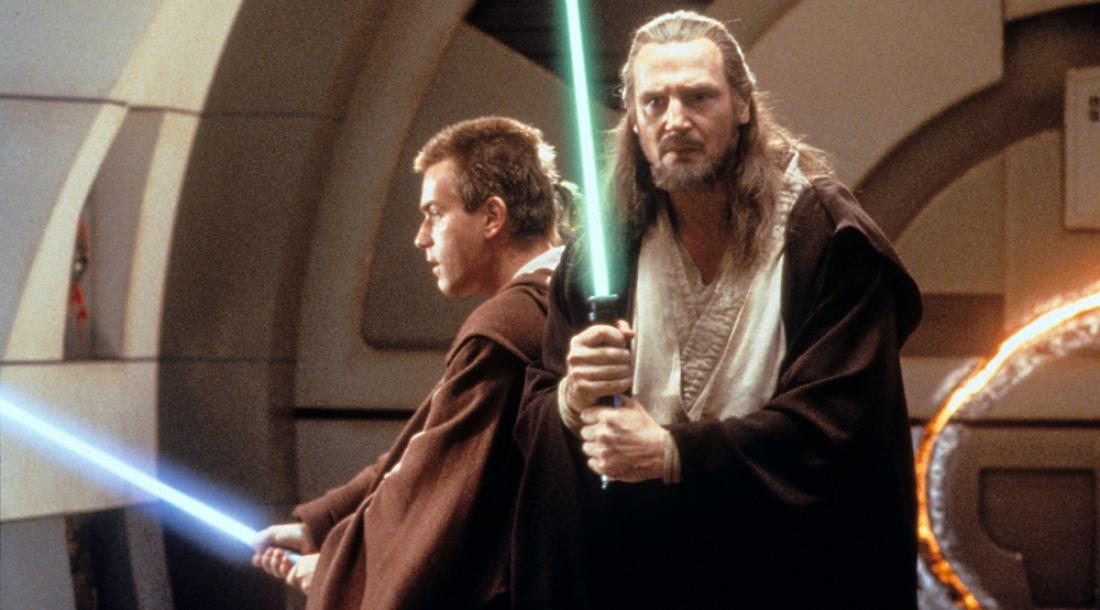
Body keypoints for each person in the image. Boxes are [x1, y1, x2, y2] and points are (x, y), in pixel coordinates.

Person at [511, 11, 922, 610]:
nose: (676, 120)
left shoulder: (823, 237)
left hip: (783, 579)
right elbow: (536, 416)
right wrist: (575, 398)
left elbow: (842, 425)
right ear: (634, 121)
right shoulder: (606, 247)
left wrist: (674, 453)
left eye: (699, 97)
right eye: (654, 103)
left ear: (744, 106)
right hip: (639, 579)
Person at [253, 116, 567, 610]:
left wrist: (339, 567)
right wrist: (323, 524)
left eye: (434, 214)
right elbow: (423, 446)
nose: (421, 238)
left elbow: (434, 492)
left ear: (492, 216)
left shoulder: (505, 327)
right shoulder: (567, 296)